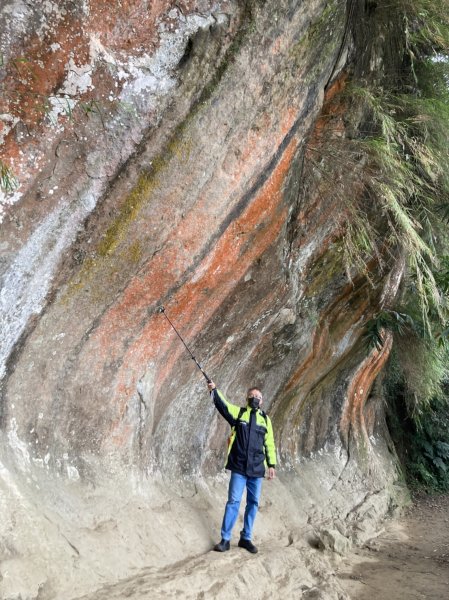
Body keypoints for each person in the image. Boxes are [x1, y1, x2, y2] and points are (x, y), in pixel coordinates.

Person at [208, 381, 276, 554]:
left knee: (253, 503)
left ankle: (246, 538)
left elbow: (269, 444)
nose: (255, 398)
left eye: (258, 397)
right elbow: (223, 405)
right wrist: (214, 390)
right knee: (233, 502)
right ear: (247, 398)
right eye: (252, 396)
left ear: (262, 401)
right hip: (239, 468)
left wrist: (271, 465)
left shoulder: (265, 420)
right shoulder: (239, 414)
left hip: (256, 470)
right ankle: (225, 539)